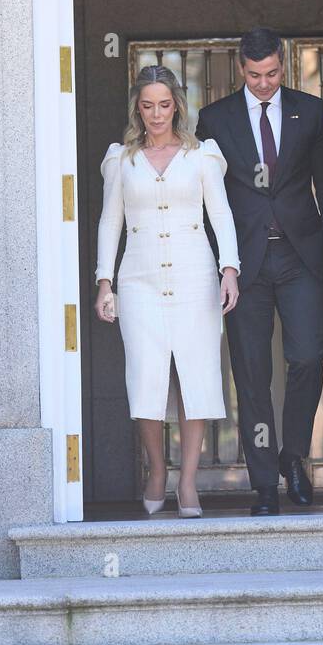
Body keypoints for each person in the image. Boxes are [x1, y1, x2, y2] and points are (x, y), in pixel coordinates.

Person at [196, 28, 323, 516]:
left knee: (307, 357)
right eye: (255, 75)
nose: (263, 83)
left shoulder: (311, 111)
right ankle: (263, 485)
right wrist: (219, 266)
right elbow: (206, 200)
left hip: (301, 256)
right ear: (241, 68)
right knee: (251, 373)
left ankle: (293, 456)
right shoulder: (213, 119)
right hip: (244, 262)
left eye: (273, 73)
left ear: (285, 65)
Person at [94, 65, 240, 519]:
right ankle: (158, 470)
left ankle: (189, 481)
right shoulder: (122, 159)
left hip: (196, 278)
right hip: (138, 280)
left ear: (176, 103)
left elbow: (222, 215)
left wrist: (229, 270)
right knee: (146, 376)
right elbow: (109, 222)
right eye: (147, 105)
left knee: (195, 376)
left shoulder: (201, 155)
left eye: (164, 103)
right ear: (137, 108)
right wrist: (105, 282)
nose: (156, 114)